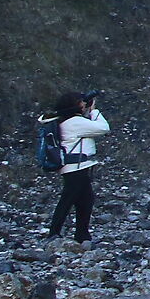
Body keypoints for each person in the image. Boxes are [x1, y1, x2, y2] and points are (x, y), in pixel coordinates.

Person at [47, 91, 110, 242]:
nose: (83, 104)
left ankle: (81, 234)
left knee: (85, 199)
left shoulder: (67, 121)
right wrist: (94, 111)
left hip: (75, 167)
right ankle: (54, 233)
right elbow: (103, 128)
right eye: (80, 102)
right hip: (76, 167)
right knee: (69, 199)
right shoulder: (75, 122)